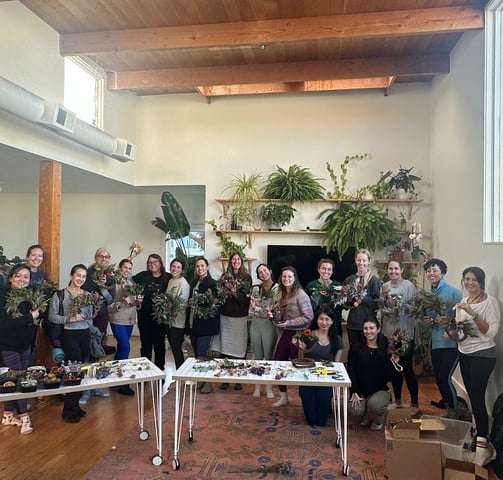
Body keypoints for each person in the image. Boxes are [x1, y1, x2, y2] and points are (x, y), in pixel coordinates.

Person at [454, 266, 500, 466]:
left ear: (481, 281)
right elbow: (461, 331)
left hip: (483, 355)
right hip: (464, 353)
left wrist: (472, 313)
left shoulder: (490, 302)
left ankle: (483, 448)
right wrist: (452, 333)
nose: (469, 283)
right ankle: (477, 432)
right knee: (473, 397)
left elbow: (490, 333)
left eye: (474, 279)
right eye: (466, 279)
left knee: (478, 398)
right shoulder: (463, 302)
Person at [48, 264, 94, 423]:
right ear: (71, 276)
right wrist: (70, 318)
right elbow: (52, 317)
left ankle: (74, 406)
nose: (80, 279)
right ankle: (69, 411)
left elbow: (89, 317)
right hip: (69, 334)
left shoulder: (87, 295)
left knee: (81, 370)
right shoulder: (60, 295)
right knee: (73, 370)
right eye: (78, 275)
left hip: (84, 334)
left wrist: (92, 310)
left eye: (83, 276)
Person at [0, 264, 40, 434]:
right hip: (8, 345)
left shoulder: (29, 296)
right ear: (10, 278)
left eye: (26, 277)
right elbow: (5, 324)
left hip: (25, 344)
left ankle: (8, 414)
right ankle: (24, 416)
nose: (22, 279)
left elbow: (37, 317)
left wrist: (38, 314)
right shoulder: (2, 296)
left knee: (16, 378)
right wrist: (30, 317)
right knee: (18, 380)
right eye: (18, 276)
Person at [423, 258, 462, 419]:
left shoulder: (453, 293)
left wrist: (449, 321)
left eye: (435, 270)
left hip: (450, 342)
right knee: (438, 377)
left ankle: (454, 414)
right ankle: (447, 407)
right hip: (435, 341)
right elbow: (429, 322)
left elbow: (463, 320)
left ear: (443, 273)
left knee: (445, 378)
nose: (431, 273)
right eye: (429, 271)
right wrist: (428, 321)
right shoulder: (429, 294)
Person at [295, 306, 344, 427]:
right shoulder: (308, 334)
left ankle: (326, 403)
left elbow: (337, 368)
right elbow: (300, 360)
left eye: (327, 319)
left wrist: (336, 395)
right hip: (308, 379)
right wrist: (301, 349)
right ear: (317, 320)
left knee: (321, 422)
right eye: (321, 319)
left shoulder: (337, 340)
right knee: (311, 420)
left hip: (325, 381)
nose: (324, 322)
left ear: (332, 321)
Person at [381, 259, 420, 413]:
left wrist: (399, 304)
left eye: (396, 269)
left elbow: (415, 309)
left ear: (402, 270)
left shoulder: (409, 286)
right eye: (390, 269)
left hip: (405, 334)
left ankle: (415, 403)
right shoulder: (385, 287)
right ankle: (397, 400)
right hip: (388, 333)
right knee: (393, 369)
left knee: (407, 369)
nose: (393, 272)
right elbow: (382, 307)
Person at [272, 265, 313, 407]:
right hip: (286, 332)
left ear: (294, 278)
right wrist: (274, 316)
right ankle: (284, 397)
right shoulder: (281, 294)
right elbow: (279, 313)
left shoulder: (301, 295)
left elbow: (309, 316)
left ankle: (305, 399)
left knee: (298, 366)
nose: (286, 279)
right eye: (284, 276)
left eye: (289, 276)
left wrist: (289, 322)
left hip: (299, 334)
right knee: (278, 362)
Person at [348, 318, 397, 430]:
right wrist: (354, 391)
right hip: (360, 389)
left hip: (380, 390)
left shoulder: (386, 349)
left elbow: (389, 377)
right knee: (355, 409)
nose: (368, 331)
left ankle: (379, 418)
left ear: (378, 329)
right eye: (365, 328)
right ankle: (363, 412)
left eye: (371, 328)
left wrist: (393, 363)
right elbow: (351, 370)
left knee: (375, 405)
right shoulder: (356, 347)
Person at [214, 252, 252, 392]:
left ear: (241, 261)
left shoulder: (246, 277)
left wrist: (233, 291)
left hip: (240, 316)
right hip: (226, 316)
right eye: (233, 259)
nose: (236, 261)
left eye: (238, 259)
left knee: (240, 347)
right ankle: (225, 378)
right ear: (230, 262)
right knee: (225, 348)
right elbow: (219, 294)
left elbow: (244, 297)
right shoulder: (224, 276)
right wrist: (225, 291)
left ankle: (238, 378)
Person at [108, 258, 142, 396]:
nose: (127, 270)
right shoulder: (113, 283)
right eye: (125, 268)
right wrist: (121, 302)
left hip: (129, 320)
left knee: (122, 348)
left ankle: (114, 378)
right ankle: (123, 383)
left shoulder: (131, 283)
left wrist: (138, 301)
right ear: (119, 268)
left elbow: (133, 303)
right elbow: (108, 306)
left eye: (129, 268)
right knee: (126, 347)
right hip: (117, 319)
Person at [132, 254, 171, 371]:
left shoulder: (168, 278)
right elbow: (127, 278)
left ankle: (160, 371)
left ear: (160, 263)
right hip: (144, 318)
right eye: (149, 262)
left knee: (159, 346)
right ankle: (145, 371)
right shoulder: (142, 276)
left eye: (155, 262)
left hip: (160, 319)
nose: (152, 264)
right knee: (145, 346)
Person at [188, 257, 220, 394]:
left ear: (207, 267)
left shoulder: (212, 283)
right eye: (197, 266)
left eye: (202, 266)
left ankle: (208, 382)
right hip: (193, 323)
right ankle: (201, 379)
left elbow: (215, 305)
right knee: (197, 354)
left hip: (206, 325)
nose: (200, 268)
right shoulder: (194, 282)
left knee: (202, 354)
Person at [248, 263, 278, 398]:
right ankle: (257, 386)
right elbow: (251, 309)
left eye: (265, 270)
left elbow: (271, 311)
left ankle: (269, 387)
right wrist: (257, 309)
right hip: (255, 326)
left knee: (269, 358)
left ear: (270, 271)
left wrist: (257, 309)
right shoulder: (255, 289)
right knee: (257, 357)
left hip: (268, 327)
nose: (263, 274)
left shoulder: (277, 289)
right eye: (260, 272)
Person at [343, 249, 382, 349]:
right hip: (353, 324)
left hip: (369, 326)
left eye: (364, 260)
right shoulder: (349, 280)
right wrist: (349, 300)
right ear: (355, 261)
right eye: (359, 260)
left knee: (368, 354)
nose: (361, 263)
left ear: (369, 261)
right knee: (354, 353)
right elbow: (345, 305)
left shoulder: (374, 281)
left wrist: (363, 298)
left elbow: (379, 304)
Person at [83, 248, 116, 355]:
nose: (104, 259)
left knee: (99, 336)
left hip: (102, 312)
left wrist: (103, 286)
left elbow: (111, 300)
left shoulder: (111, 277)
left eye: (106, 257)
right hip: (85, 312)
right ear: (95, 258)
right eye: (101, 256)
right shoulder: (86, 273)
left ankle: (96, 358)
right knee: (85, 337)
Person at [305, 258, 343, 336]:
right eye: (323, 268)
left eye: (329, 269)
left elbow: (344, 305)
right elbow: (305, 307)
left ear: (332, 271)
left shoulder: (339, 286)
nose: (326, 271)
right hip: (316, 325)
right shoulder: (311, 286)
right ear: (318, 270)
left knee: (336, 347)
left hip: (335, 325)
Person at [165, 258, 190, 370]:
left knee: (176, 349)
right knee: (174, 349)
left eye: (178, 267)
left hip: (178, 322)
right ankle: (179, 376)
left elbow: (182, 304)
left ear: (182, 270)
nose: (175, 269)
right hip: (169, 321)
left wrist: (171, 306)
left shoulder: (183, 283)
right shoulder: (171, 281)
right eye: (173, 266)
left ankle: (181, 377)